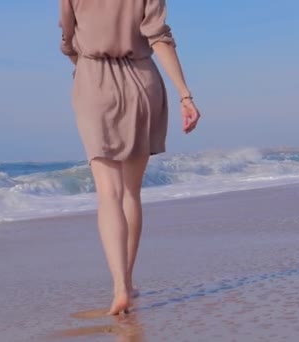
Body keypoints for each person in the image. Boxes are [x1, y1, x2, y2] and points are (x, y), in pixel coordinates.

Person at [59, 0, 201, 315]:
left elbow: (68, 38)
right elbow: (159, 37)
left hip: (93, 81)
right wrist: (185, 94)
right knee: (130, 193)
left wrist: (83, 63)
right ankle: (129, 280)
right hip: (142, 80)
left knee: (108, 193)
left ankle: (120, 286)